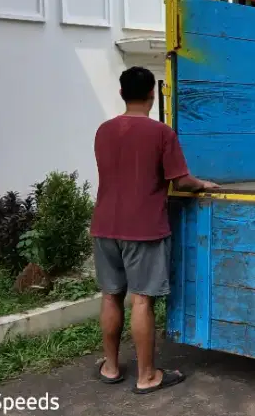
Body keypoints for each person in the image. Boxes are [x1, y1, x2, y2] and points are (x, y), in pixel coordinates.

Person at [91, 66, 218, 394]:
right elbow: (181, 180)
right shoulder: (161, 133)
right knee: (142, 301)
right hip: (143, 228)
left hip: (104, 225)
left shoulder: (103, 130)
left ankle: (110, 366)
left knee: (110, 295)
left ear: (121, 93)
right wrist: (201, 185)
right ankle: (147, 375)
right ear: (152, 93)